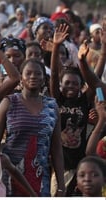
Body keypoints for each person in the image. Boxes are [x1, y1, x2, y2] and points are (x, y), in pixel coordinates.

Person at [0, 58, 65, 196]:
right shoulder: (9, 102)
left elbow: (56, 148)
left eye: (38, 73)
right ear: (21, 77)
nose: (33, 76)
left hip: (40, 178)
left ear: (44, 79)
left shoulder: (52, 106)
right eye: (29, 73)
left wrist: (61, 185)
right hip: (10, 177)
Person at [49, 24, 95, 196]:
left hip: (79, 164)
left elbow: (95, 81)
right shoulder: (57, 99)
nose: (71, 86)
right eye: (67, 83)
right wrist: (55, 46)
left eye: (75, 83)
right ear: (61, 85)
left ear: (81, 86)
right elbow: (54, 75)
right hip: (59, 164)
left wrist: (101, 52)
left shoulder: (84, 101)